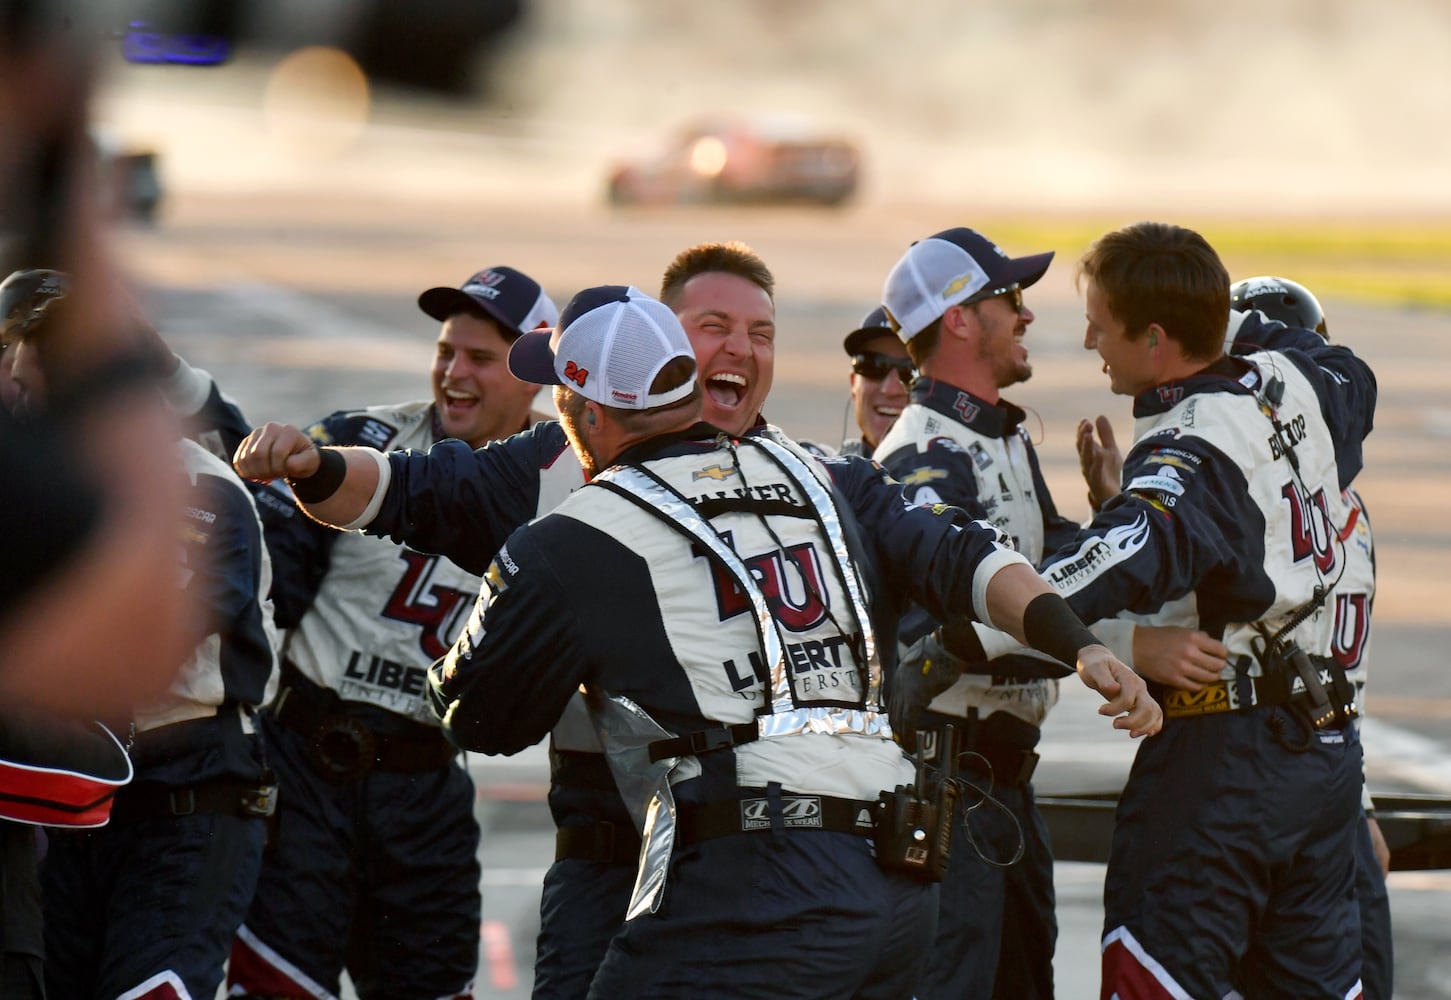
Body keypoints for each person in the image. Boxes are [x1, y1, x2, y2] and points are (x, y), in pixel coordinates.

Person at [232, 241, 1159, 998]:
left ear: (584, 401)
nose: (741, 350)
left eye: (759, 331)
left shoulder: (600, 518)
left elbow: (481, 713)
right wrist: (313, 469)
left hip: (738, 863)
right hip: (818, 862)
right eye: (714, 327)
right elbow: (414, 488)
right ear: (670, 355)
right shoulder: (820, 475)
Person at [1048, 223, 1376, 999]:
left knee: (1154, 981)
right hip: (1324, 758)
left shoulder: (1185, 456)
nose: (1087, 336)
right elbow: (1346, 369)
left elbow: (1074, 582)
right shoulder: (1308, 377)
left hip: (1222, 764)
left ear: (1155, 340)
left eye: (1099, 320)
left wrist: (962, 601)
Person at [226, 266, 558, 1000]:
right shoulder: (358, 444)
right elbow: (258, 594)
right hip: (307, 765)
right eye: (447, 352)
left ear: (536, 372)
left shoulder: (569, 482)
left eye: (481, 358)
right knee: (275, 984)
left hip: (428, 782)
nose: (454, 372)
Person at [4, 270, 281, 999]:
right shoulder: (52, 498)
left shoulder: (194, 491)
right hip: (79, 797)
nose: (19, 411)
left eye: (32, 395)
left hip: (189, 801)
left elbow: (131, 648)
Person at [870, 226, 1082, 999]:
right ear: (958, 318)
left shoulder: (1000, 437)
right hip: (950, 783)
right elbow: (948, 632)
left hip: (1004, 787)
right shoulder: (923, 453)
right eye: (1009, 299)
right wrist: (1109, 648)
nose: (1024, 316)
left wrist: (1122, 510)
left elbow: (1065, 565)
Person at [1229, 274, 1391, 1000]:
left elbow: (1340, 677)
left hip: (1313, 778)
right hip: (1285, 775)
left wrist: (1357, 806)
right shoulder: (1323, 506)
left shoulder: (1324, 511)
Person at [841, 305, 913, 458]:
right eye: (872, 365)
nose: (891, 390)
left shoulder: (968, 477)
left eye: (911, 371)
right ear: (853, 383)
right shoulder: (820, 476)